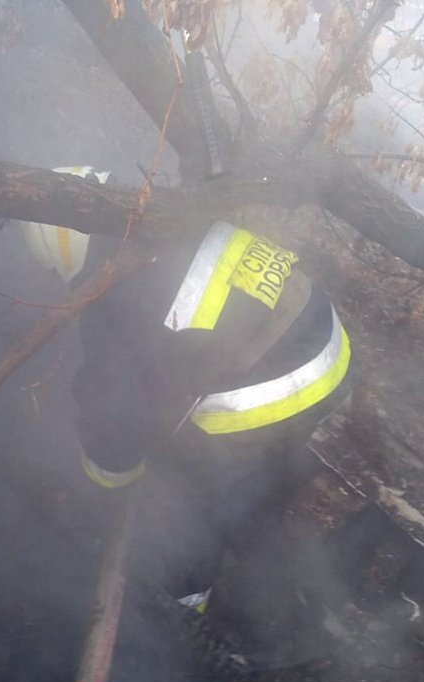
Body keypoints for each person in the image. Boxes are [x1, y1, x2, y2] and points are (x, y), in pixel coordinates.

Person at [21, 166, 354, 613]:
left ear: (64, 253)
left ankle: (182, 602)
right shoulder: (164, 218)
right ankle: (263, 518)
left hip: (290, 381)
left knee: (193, 492)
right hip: (326, 338)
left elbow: (116, 419)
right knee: (262, 469)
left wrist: (107, 486)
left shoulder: (115, 295)